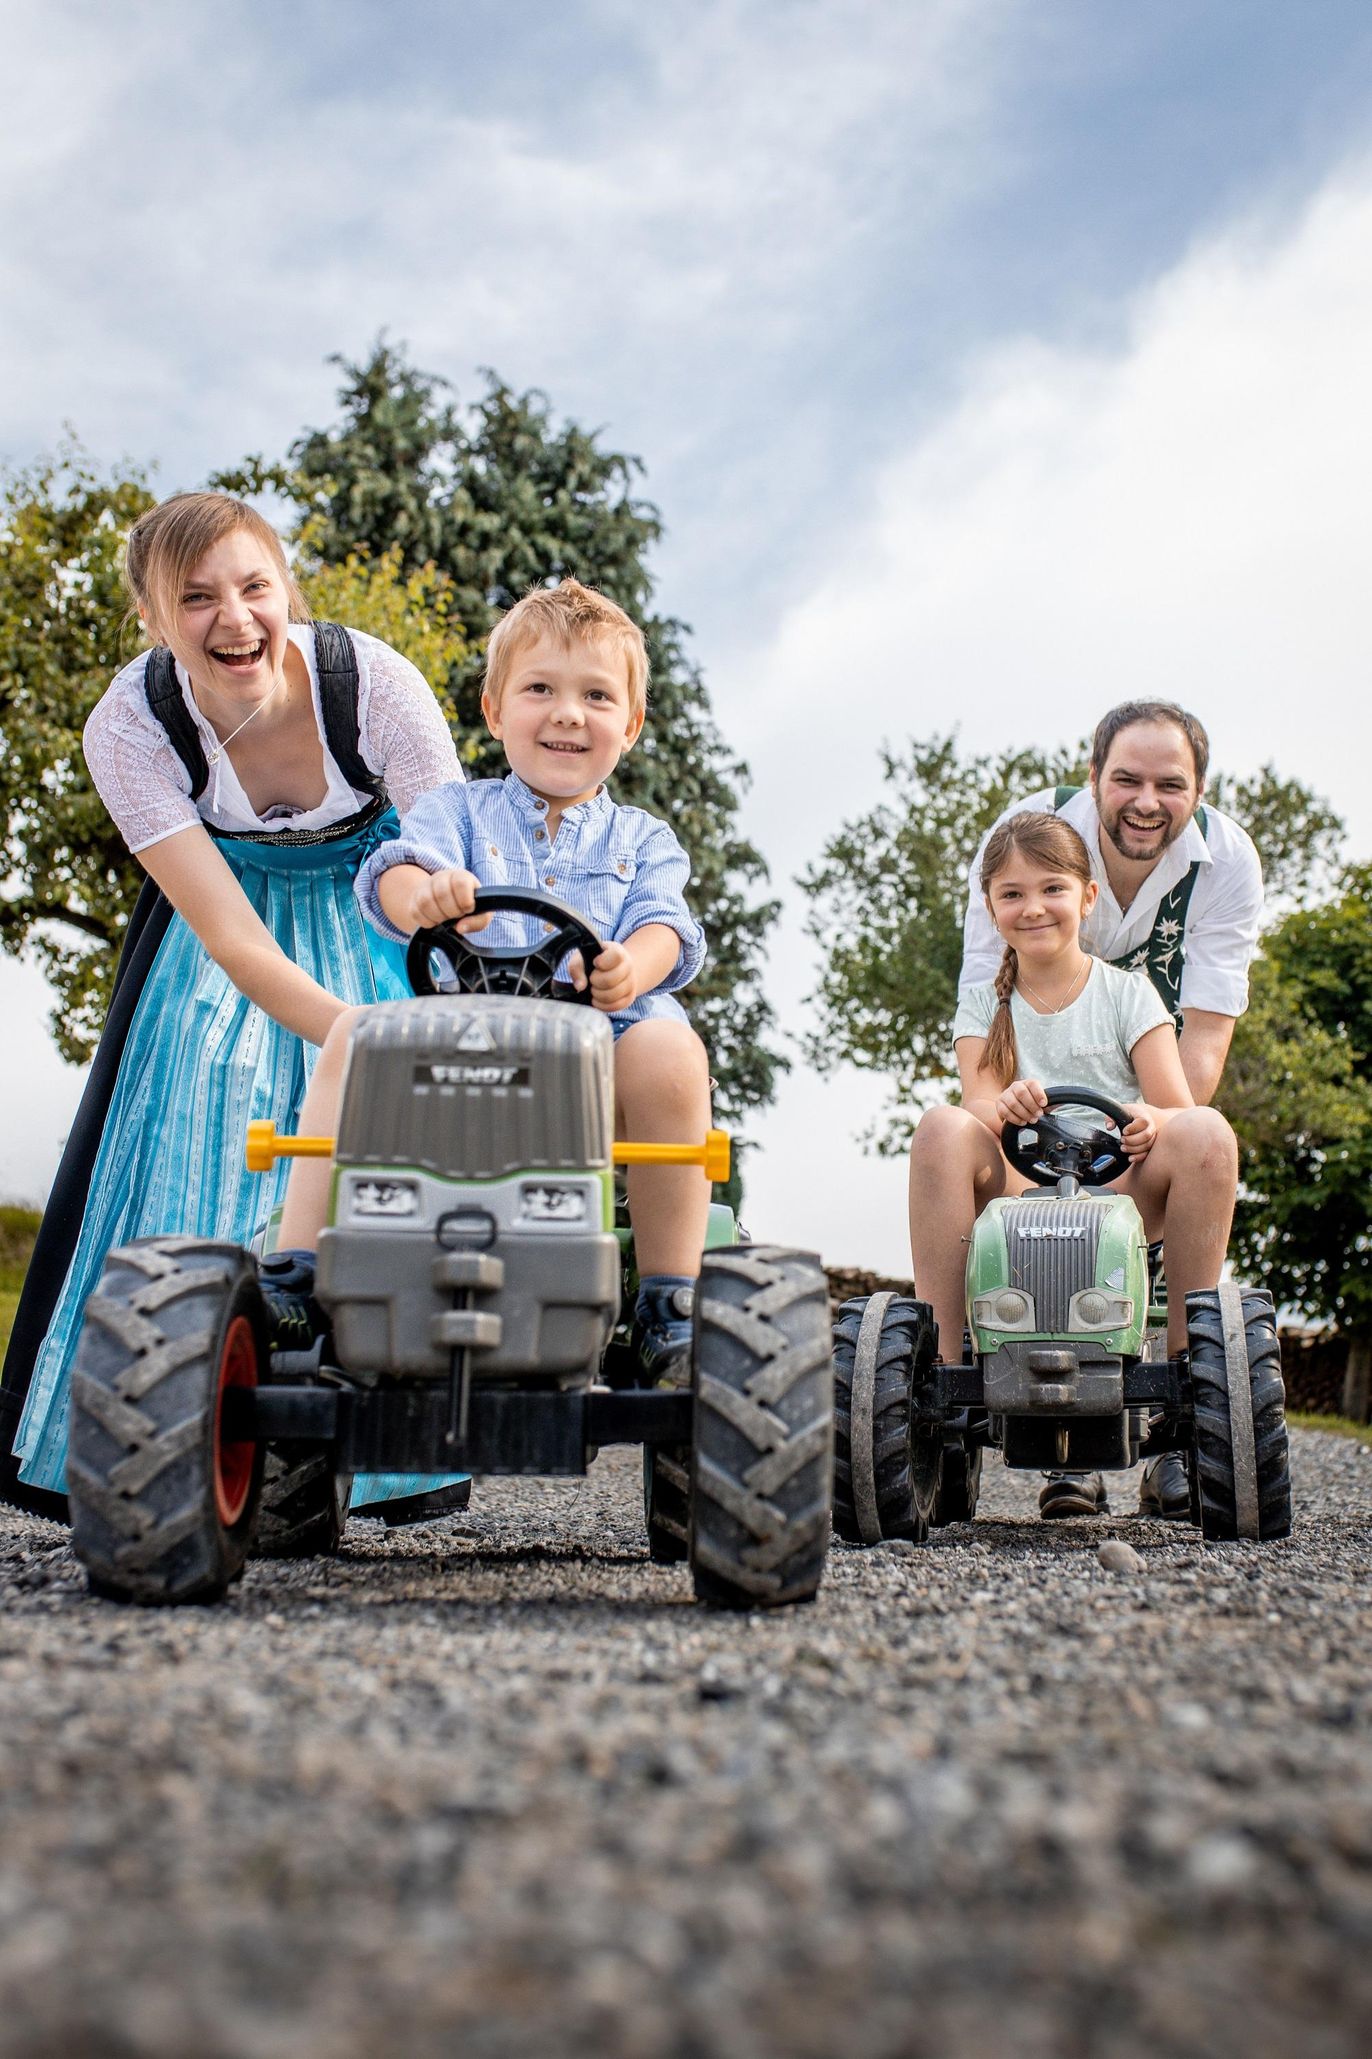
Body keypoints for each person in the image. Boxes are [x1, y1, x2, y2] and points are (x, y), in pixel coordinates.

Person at [0, 491, 467, 1523]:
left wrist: (386, 1009)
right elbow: (227, 935)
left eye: (255, 586)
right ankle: (190, 1426)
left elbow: (438, 868)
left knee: (396, 1136)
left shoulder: (375, 685)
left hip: (375, 907)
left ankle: (382, 1426)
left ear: (285, 588)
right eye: (196, 597)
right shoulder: (128, 726)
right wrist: (343, 1032)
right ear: (154, 621)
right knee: (207, 1108)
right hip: (229, 932)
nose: (235, 618)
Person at [264, 577, 712, 1382]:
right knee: (353, 1033)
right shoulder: (457, 813)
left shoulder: (645, 838)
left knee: (673, 1051)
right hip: (459, 1042)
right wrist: (425, 899)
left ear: (631, 724)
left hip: (600, 1058)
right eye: (540, 688)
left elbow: (664, 926)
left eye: (596, 695)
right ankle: (295, 1275)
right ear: (496, 710)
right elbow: (394, 872)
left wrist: (628, 969)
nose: (568, 712)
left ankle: (667, 1304)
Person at [913, 811, 1239, 1520]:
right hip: (1019, 1195)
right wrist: (1005, 1106)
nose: (1033, 908)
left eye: (1052, 888)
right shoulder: (986, 1001)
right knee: (940, 1126)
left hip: (1117, 1190)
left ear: (1087, 898)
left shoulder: (1126, 994)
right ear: (992, 907)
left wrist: (1152, 1118)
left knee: (1209, 1133)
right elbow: (976, 1109)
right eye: (1012, 894)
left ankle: (1189, 1395)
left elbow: (1178, 1110)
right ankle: (934, 1389)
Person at [961, 702, 1263, 1108]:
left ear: (1200, 789)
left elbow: (1207, 1027)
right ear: (1094, 776)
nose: (1146, 803)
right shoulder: (1021, 838)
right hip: (1027, 1106)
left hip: (1148, 1104)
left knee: (1206, 1137)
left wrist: (1158, 1138)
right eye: (1127, 780)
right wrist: (1010, 1125)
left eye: (1170, 786)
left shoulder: (1229, 861)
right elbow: (984, 980)